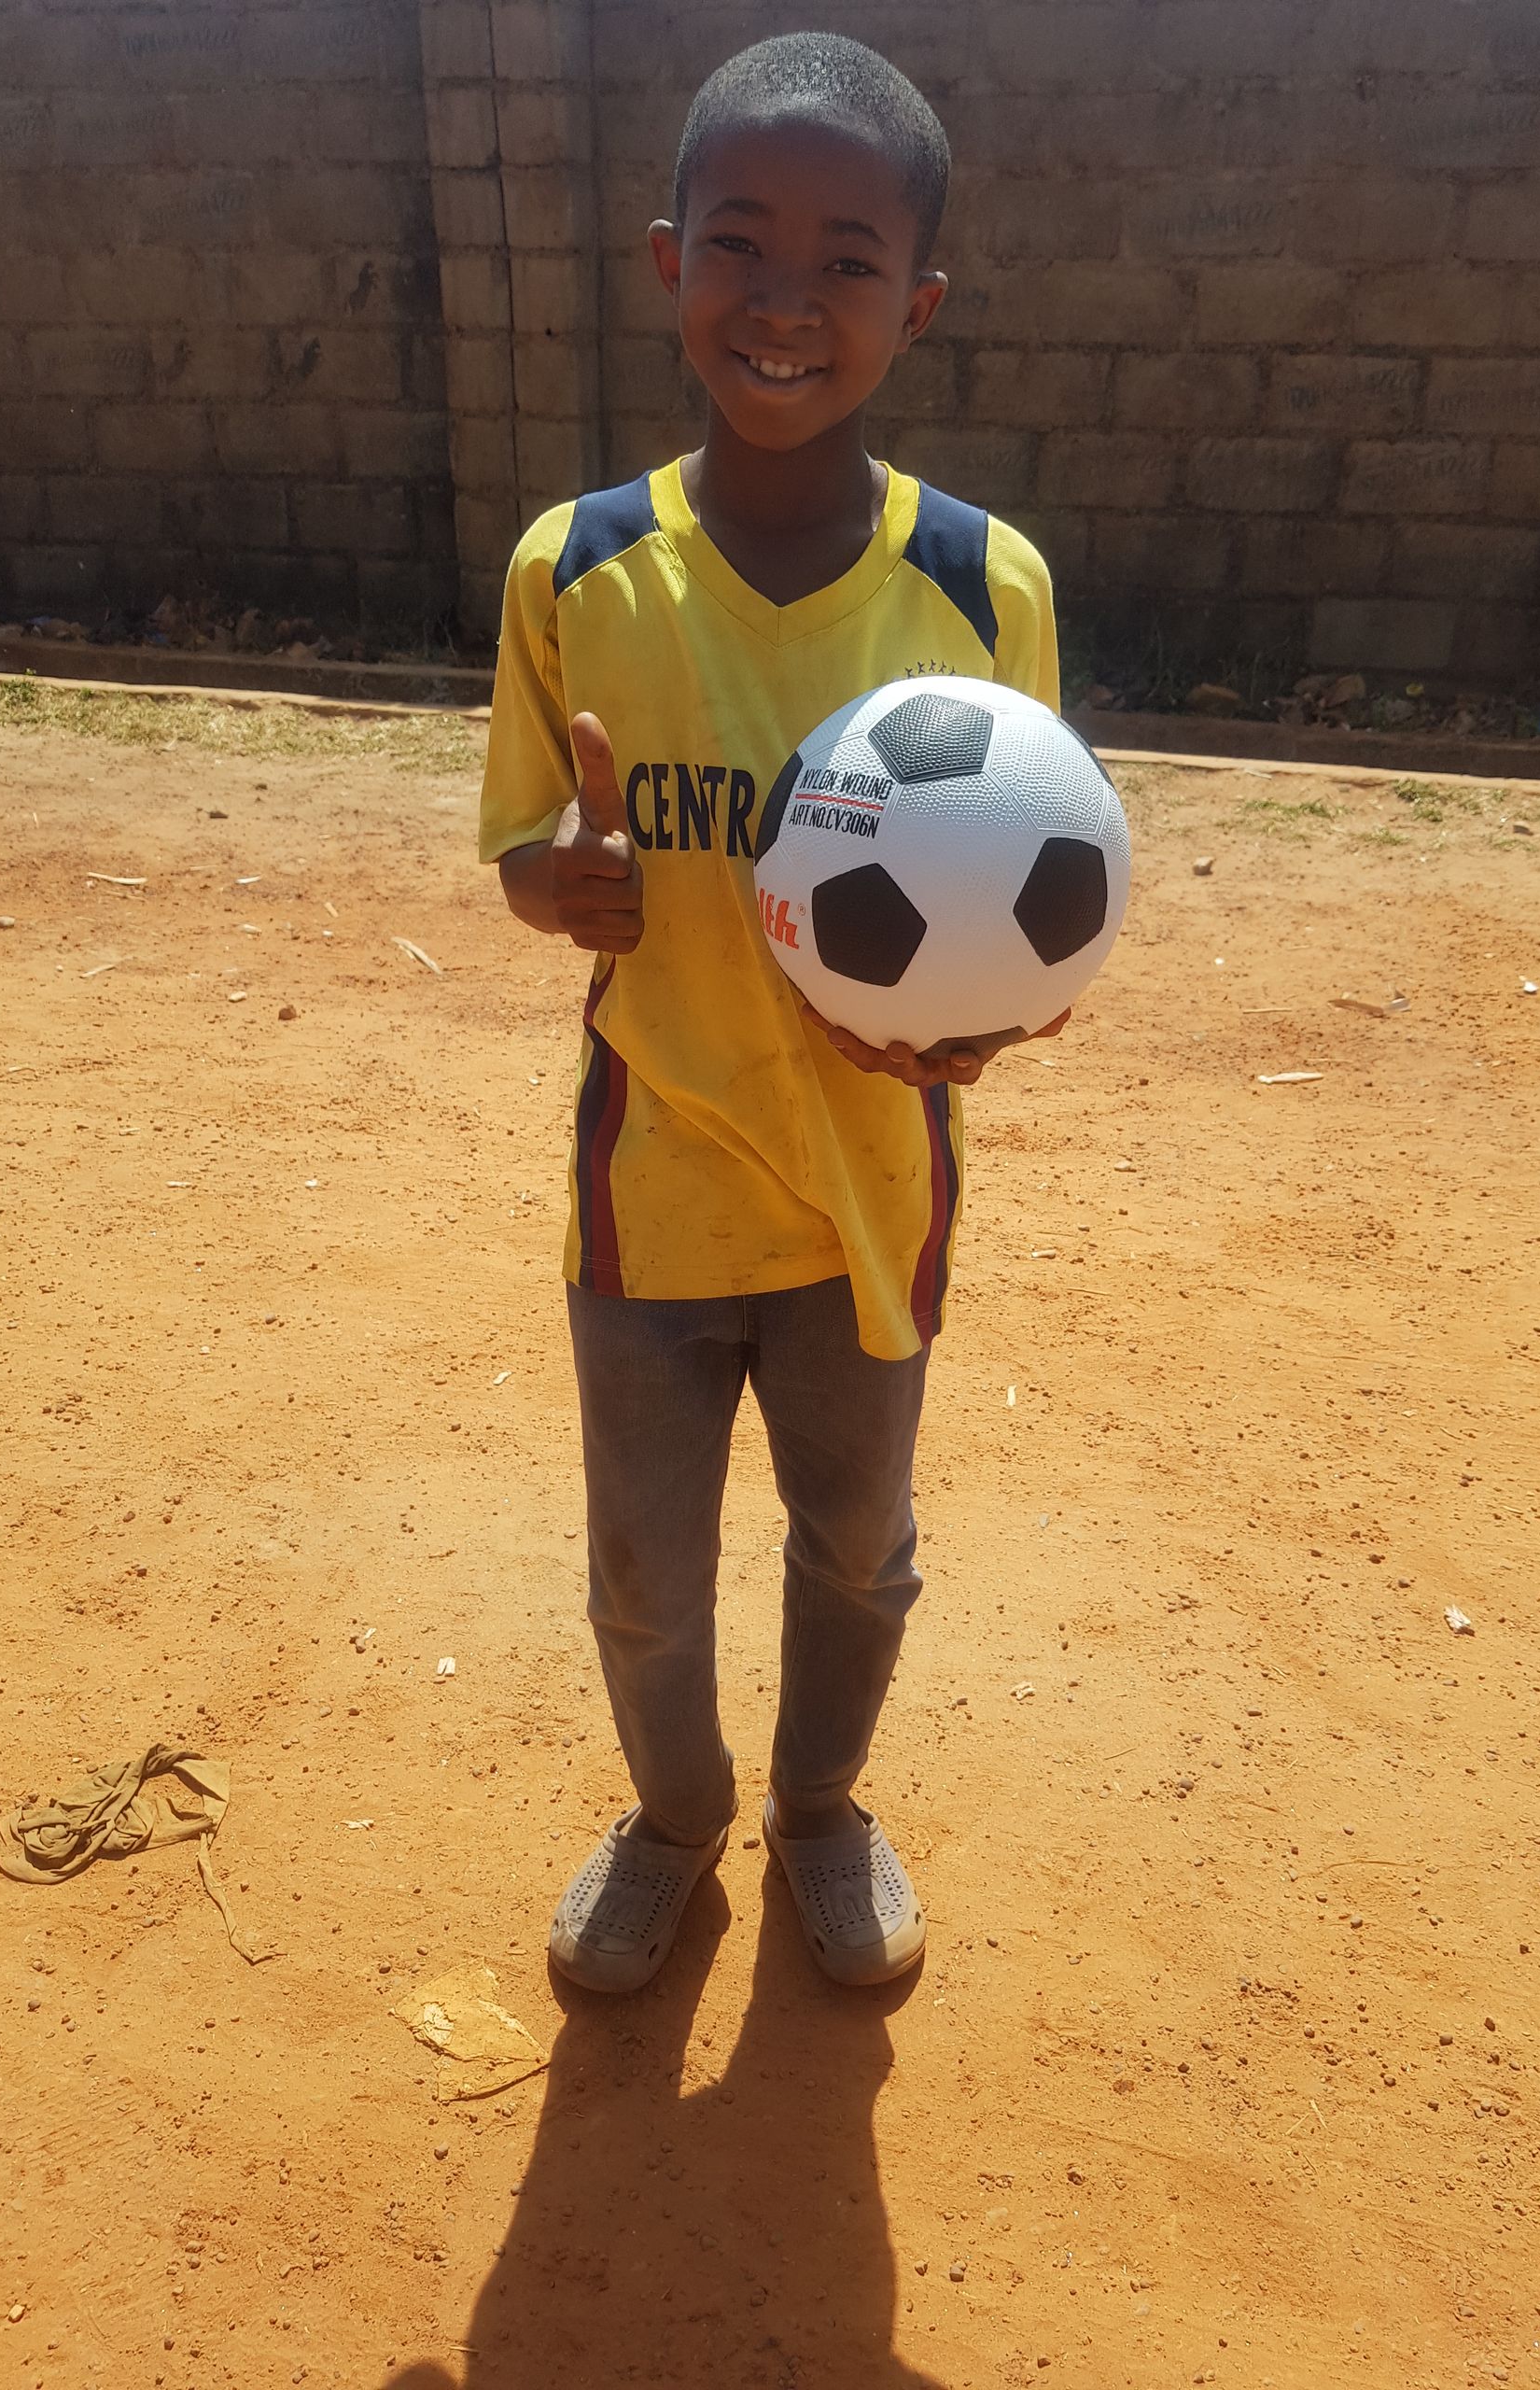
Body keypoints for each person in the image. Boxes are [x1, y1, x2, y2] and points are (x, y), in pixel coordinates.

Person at [481, 32, 1067, 1994]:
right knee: (646, 1583)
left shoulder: (984, 586)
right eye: (739, 243)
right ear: (668, 263)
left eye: (844, 261)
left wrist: (974, 1033)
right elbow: (522, 846)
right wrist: (555, 884)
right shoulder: (577, 568)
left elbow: (1022, 899)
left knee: (857, 1547)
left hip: (866, 1194)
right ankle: (674, 1819)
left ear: (920, 303)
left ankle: (822, 1808)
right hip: (649, 1186)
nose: (785, 301)